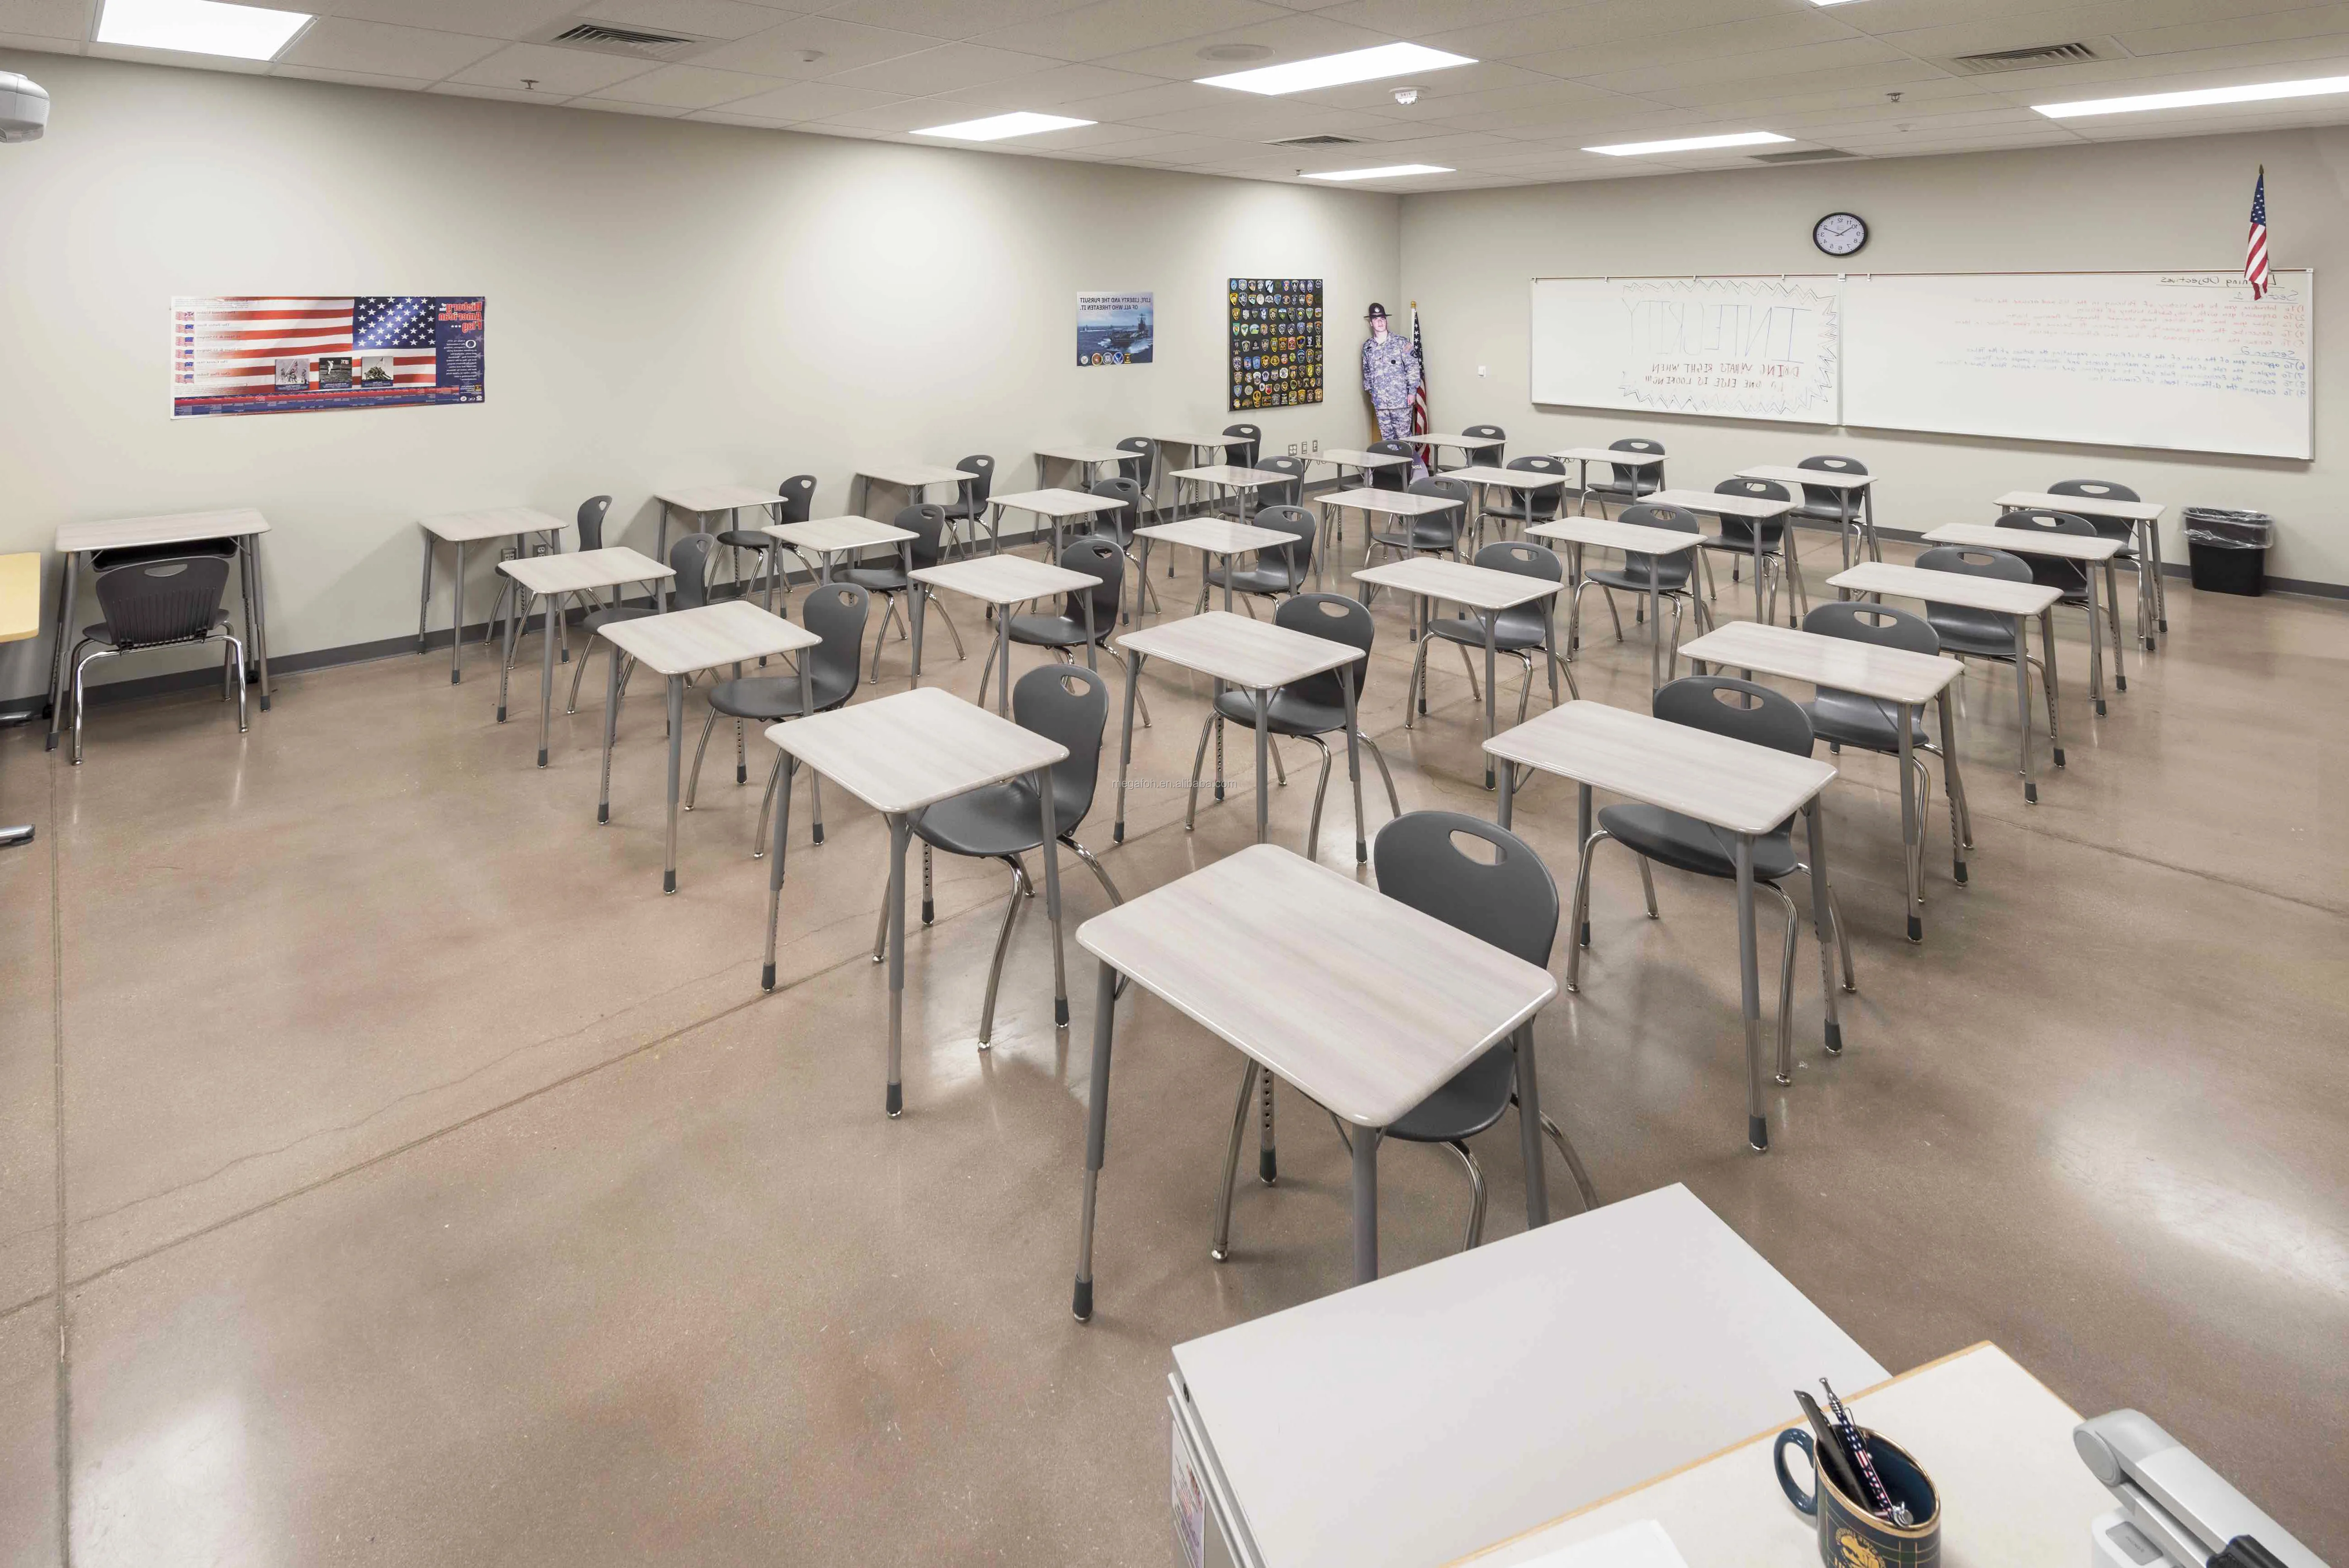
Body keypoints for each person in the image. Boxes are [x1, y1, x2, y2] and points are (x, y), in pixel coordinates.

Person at [1359, 303, 1420, 445]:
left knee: (1405, 440)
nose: (1380, 322)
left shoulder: (1402, 343)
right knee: (1387, 442)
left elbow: (1413, 367)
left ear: (1386, 321)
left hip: (1401, 402)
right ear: (1371, 323)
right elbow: (1367, 372)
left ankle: (1407, 467)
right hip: (1381, 404)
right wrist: (1372, 393)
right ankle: (1392, 468)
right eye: (1376, 319)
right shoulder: (1368, 347)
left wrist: (1412, 392)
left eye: (1382, 318)